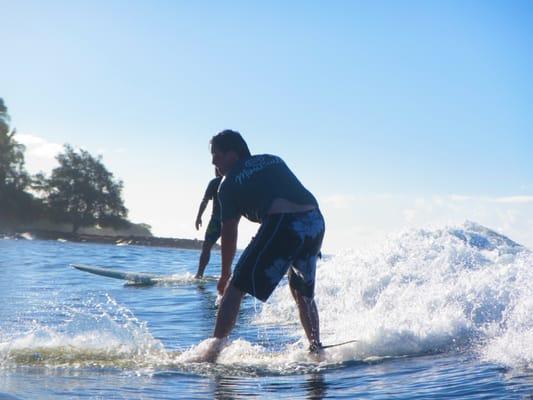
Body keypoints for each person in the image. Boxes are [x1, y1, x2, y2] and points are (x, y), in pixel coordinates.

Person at [202, 129, 325, 361]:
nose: (213, 161)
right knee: (302, 293)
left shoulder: (226, 184)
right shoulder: (273, 159)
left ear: (233, 154)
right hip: (315, 222)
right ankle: (316, 348)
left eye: (217, 155)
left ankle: (212, 354)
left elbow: (229, 232)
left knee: (234, 290)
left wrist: (226, 274)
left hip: (284, 224)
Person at [194, 168, 223, 279]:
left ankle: (199, 274)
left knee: (207, 246)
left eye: (217, 168)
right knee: (223, 248)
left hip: (218, 221)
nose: (216, 170)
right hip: (229, 220)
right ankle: (225, 275)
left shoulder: (215, 182)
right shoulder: (217, 182)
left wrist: (198, 217)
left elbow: (205, 201)